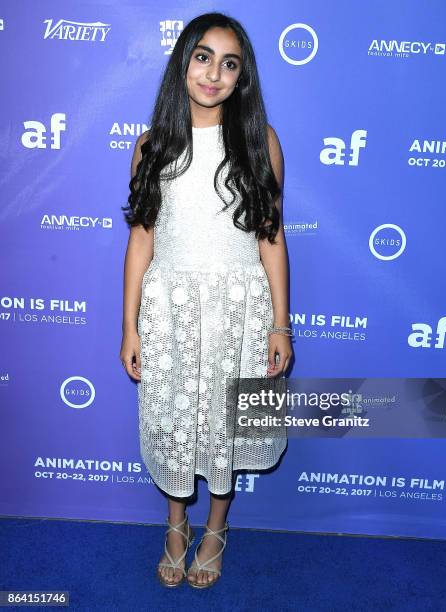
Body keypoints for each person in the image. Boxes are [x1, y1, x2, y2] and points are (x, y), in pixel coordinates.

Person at [120, 11, 293, 589]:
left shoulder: (258, 142)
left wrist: (280, 325)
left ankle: (216, 529)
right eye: (203, 57)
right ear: (182, 64)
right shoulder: (151, 146)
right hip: (170, 311)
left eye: (229, 63)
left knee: (227, 428)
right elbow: (141, 240)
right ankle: (175, 526)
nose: (214, 73)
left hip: (239, 312)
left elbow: (271, 236)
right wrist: (130, 327)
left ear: (241, 77)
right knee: (174, 423)